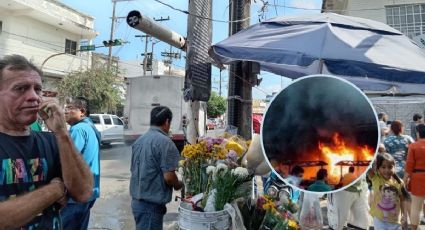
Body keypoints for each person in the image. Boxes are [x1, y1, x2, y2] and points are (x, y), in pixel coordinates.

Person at [0, 54, 93, 229]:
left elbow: (84, 192)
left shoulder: (53, 141)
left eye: (37, 89)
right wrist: (55, 190)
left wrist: (62, 133)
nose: (34, 97)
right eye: (20, 88)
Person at [130, 106, 183, 230]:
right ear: (167, 122)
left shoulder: (139, 141)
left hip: (137, 203)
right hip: (151, 206)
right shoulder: (165, 142)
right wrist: (179, 184)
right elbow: (169, 178)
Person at [61, 97, 101, 230]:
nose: (65, 111)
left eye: (70, 108)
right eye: (65, 108)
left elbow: (68, 160)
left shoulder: (78, 129)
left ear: (82, 111)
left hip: (76, 194)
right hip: (90, 191)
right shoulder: (91, 127)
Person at [368, 152, 408, 229]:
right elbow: (367, 167)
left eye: (390, 167)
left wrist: (404, 215)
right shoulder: (376, 178)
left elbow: (403, 200)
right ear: (377, 168)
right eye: (383, 167)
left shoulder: (399, 182)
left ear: (394, 167)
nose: (387, 170)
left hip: (395, 221)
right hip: (380, 220)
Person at [404, 124, 425, 230]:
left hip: (418, 178)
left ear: (418, 133)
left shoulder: (413, 146)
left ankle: (414, 229)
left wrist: (404, 180)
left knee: (416, 207)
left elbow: (409, 165)